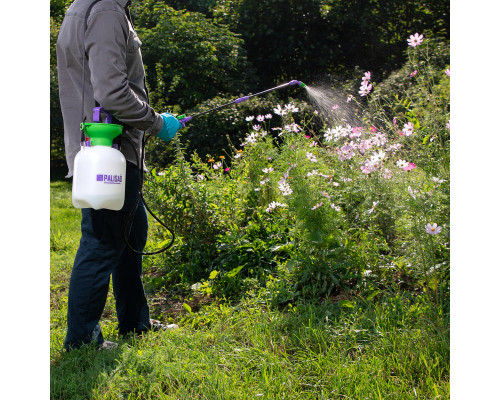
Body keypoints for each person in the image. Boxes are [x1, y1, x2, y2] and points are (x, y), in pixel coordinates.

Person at [56, 0, 182, 350]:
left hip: (107, 149)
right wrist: (156, 122)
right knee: (102, 242)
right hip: (109, 149)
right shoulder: (107, 11)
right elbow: (111, 91)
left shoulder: (89, 6)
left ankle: (135, 322)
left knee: (131, 233)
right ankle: (81, 341)